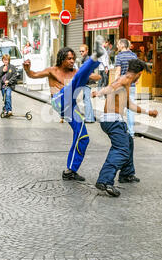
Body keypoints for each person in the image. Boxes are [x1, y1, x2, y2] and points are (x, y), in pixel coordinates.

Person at [23, 37, 105, 181]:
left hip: (71, 104)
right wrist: (27, 69)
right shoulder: (52, 71)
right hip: (59, 100)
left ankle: (71, 170)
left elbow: (97, 77)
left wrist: (89, 76)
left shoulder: (75, 72)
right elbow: (33, 75)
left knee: (83, 137)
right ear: (62, 59)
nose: (72, 61)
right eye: (69, 59)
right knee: (74, 83)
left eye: (73, 58)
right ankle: (95, 58)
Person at [93, 58, 158, 197]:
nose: (139, 79)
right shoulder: (124, 80)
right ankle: (104, 181)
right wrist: (98, 92)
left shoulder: (126, 82)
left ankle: (127, 174)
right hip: (113, 121)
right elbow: (111, 86)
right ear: (138, 73)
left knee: (128, 141)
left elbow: (129, 104)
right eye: (140, 76)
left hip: (114, 120)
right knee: (121, 149)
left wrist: (148, 112)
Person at [115, 38, 138, 138]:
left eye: (118, 44)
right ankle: (131, 132)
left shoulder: (119, 56)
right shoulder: (134, 55)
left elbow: (118, 72)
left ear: (122, 45)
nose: (117, 46)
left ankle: (121, 131)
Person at [79, 44, 99, 123]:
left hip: (87, 82)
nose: (81, 53)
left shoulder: (87, 59)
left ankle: (89, 118)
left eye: (83, 51)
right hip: (88, 81)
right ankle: (90, 117)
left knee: (86, 99)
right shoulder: (86, 59)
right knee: (86, 99)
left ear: (87, 51)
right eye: (80, 51)